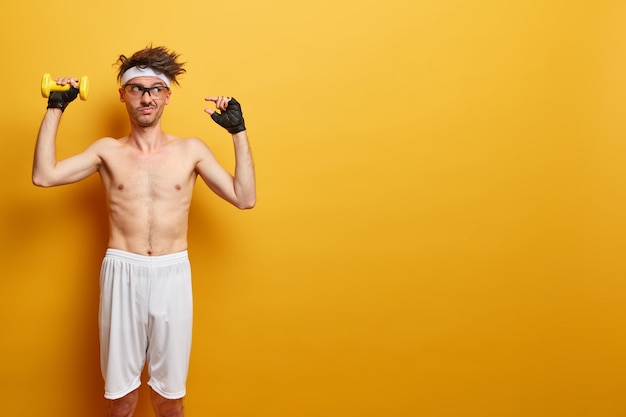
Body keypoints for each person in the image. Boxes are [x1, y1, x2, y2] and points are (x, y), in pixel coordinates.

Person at [32, 46, 256, 417]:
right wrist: (56, 106)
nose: (147, 96)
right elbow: (44, 176)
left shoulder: (191, 151)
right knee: (121, 399)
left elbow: (244, 198)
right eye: (137, 88)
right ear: (123, 95)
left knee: (170, 400)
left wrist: (239, 131)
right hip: (123, 271)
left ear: (167, 95)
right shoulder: (108, 151)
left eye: (155, 89)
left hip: (172, 274)